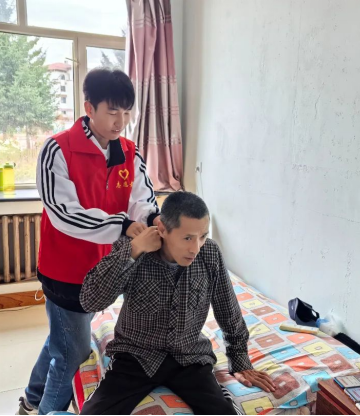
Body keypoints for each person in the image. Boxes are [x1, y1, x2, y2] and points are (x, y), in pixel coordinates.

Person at [17, 68, 161, 416]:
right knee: (74, 353)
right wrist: (123, 225)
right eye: (112, 112)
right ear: (89, 108)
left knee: (64, 340)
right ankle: (45, 409)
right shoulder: (58, 149)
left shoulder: (128, 152)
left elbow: (141, 199)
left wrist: (153, 218)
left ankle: (30, 399)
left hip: (105, 269)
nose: (120, 122)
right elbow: (64, 213)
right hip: (65, 271)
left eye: (126, 112)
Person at [79, 192, 276, 415]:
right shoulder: (134, 250)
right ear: (162, 229)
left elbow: (227, 309)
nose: (196, 248)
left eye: (202, 236)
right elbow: (90, 301)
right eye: (187, 238)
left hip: (189, 357)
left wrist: (240, 361)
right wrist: (133, 251)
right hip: (135, 356)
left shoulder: (209, 254)